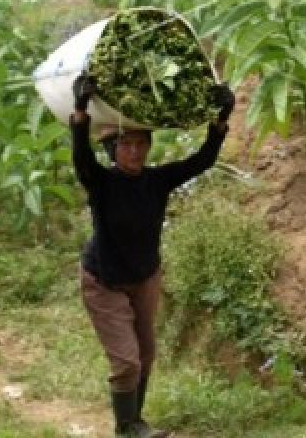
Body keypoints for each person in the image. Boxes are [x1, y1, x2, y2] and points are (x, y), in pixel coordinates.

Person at [70, 73, 236, 438]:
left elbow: (202, 161)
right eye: (126, 145)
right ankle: (126, 427)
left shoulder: (157, 180)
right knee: (126, 361)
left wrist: (220, 120)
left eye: (140, 144)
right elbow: (82, 160)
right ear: (113, 151)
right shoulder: (102, 182)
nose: (134, 152)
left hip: (145, 277)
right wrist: (80, 110)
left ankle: (135, 422)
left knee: (145, 355)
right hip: (105, 281)